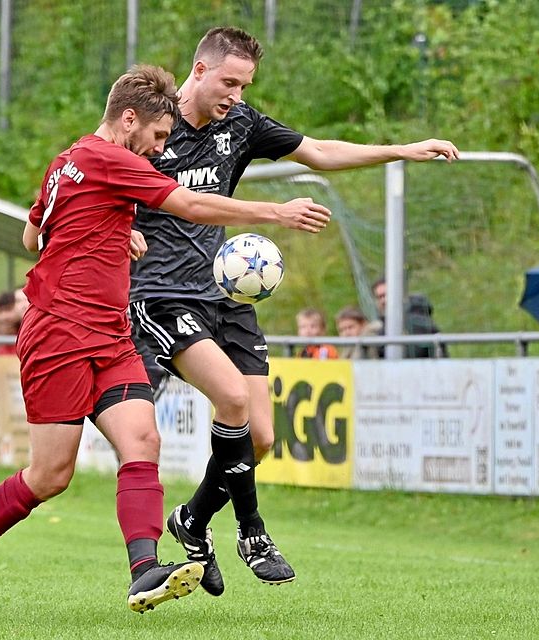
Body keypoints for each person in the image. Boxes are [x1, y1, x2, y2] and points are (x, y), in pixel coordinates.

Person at [0, 64, 330, 618]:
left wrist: (114, 226)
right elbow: (189, 205)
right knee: (51, 475)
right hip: (58, 336)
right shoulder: (110, 159)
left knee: (142, 440)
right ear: (129, 120)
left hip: (111, 332)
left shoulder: (68, 161)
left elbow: (32, 234)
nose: (163, 151)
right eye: (159, 138)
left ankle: (145, 569)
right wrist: (274, 211)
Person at [130, 26, 458, 595]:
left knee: (258, 437)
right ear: (199, 69)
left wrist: (399, 150)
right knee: (231, 400)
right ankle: (252, 531)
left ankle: (193, 521)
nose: (236, 93)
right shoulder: (152, 125)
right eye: (229, 81)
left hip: (225, 292)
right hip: (162, 294)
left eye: (245, 83)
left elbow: (321, 152)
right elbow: (98, 181)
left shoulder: (243, 123)